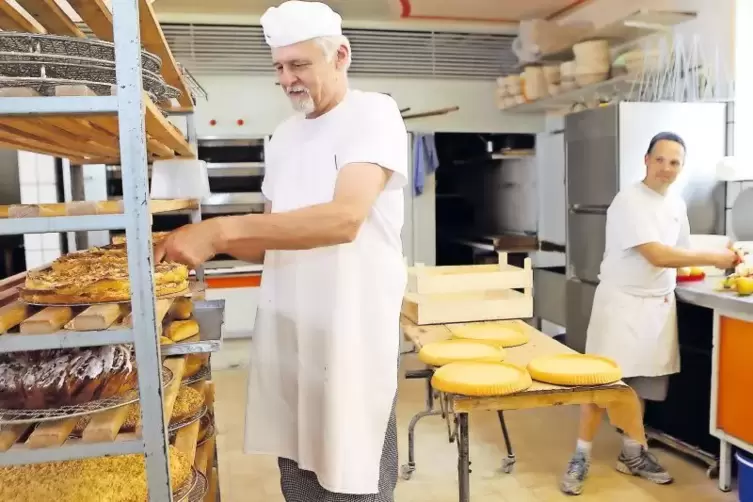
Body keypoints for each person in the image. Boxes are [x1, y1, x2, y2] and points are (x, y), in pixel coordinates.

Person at [154, 2, 408, 501]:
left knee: (352, 473)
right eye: (278, 66)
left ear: (341, 55)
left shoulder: (373, 113)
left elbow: (344, 219)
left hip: (348, 331)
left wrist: (219, 233)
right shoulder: (285, 136)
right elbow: (272, 231)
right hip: (291, 326)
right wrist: (183, 247)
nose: (287, 79)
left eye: (299, 65)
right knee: (298, 473)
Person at [559, 132, 739, 496]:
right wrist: (714, 258)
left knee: (638, 385)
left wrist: (727, 261)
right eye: (660, 160)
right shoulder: (629, 200)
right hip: (622, 304)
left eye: (675, 162)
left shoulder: (675, 204)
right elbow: (658, 255)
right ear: (646, 160)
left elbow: (681, 252)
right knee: (603, 386)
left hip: (656, 307)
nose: (667, 168)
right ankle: (580, 455)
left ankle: (633, 454)